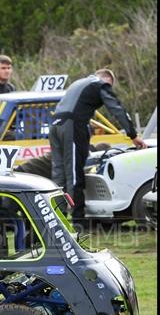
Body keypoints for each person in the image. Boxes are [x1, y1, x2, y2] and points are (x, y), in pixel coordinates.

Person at [48, 69, 146, 225]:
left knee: (58, 174)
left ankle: (54, 218)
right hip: (71, 127)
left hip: (54, 126)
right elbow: (117, 109)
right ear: (107, 79)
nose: (109, 89)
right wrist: (133, 135)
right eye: (110, 86)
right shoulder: (99, 85)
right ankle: (78, 220)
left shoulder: (77, 84)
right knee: (73, 174)